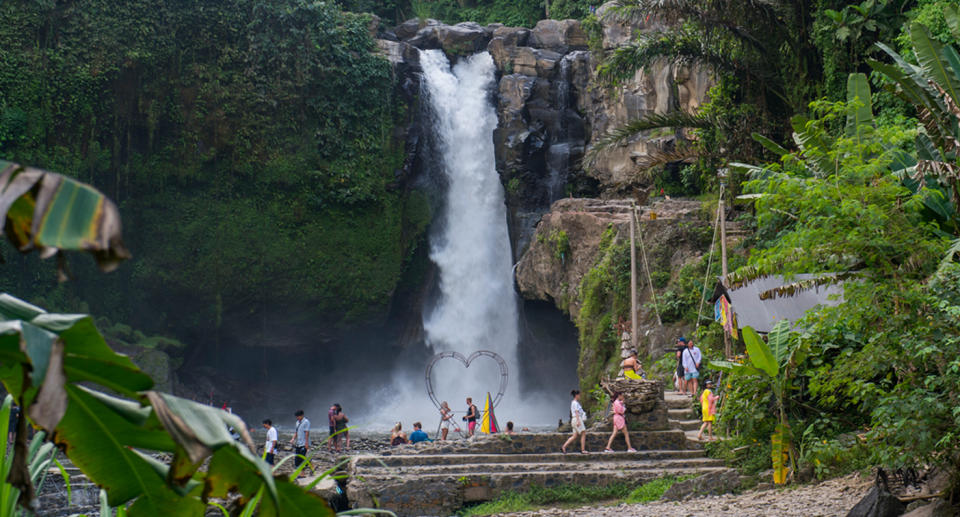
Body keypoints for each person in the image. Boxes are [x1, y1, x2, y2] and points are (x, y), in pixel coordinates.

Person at [561, 389, 588, 454]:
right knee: (583, 433)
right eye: (579, 395)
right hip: (576, 419)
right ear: (576, 395)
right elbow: (576, 412)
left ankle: (564, 447)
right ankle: (583, 450)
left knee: (575, 436)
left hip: (574, 420)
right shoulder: (575, 403)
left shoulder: (573, 402)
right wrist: (578, 421)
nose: (580, 396)